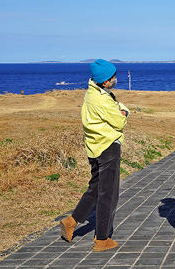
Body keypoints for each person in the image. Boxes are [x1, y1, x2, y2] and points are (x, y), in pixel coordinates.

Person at [59, 59, 130, 252]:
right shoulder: (102, 99)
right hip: (108, 148)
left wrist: (119, 108)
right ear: (105, 81)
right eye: (113, 76)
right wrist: (124, 112)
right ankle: (102, 239)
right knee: (109, 194)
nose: (116, 79)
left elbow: (115, 107)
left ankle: (71, 221)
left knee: (96, 189)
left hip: (94, 148)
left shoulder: (92, 93)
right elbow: (119, 121)